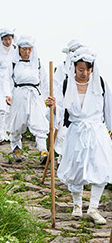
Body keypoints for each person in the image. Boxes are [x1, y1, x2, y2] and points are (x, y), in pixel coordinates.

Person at [47, 51, 112, 224]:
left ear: (92, 69)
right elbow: (60, 111)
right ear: (74, 67)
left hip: (96, 131)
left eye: (87, 70)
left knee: (100, 167)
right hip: (76, 130)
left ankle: (93, 208)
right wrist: (52, 106)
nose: (84, 73)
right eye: (80, 69)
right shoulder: (67, 83)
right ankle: (77, 205)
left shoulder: (101, 84)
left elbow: (108, 108)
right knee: (76, 168)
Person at [5, 35, 49, 165]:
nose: (26, 52)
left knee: (39, 122)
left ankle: (43, 151)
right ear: (19, 49)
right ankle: (16, 148)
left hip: (35, 95)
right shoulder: (13, 63)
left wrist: (47, 98)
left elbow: (44, 81)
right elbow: (7, 80)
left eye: (29, 49)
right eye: (24, 49)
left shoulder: (38, 63)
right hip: (19, 94)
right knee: (18, 123)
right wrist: (7, 94)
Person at [0, 28, 16, 142]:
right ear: (1, 40)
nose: (8, 42)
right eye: (5, 40)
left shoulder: (16, 50)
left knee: (9, 108)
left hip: (11, 81)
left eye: (9, 39)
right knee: (1, 107)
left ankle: (8, 131)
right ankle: (1, 132)